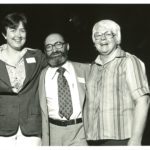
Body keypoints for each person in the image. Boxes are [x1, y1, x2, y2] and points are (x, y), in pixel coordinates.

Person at [84, 19, 150, 146]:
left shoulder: (129, 61)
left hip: (122, 140)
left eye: (108, 34)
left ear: (117, 38)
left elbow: (143, 101)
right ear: (94, 41)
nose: (103, 39)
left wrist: (136, 139)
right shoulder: (92, 68)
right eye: (98, 35)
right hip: (93, 140)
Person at [0, 12, 47, 146]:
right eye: (13, 30)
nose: (18, 35)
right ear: (4, 34)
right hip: (3, 128)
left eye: (22, 30)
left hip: (31, 128)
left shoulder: (37, 56)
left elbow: (57, 63)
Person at [38, 32, 90, 146]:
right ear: (45, 51)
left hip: (81, 132)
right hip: (53, 133)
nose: (54, 49)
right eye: (49, 46)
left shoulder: (86, 70)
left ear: (67, 46)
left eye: (58, 44)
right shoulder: (41, 76)